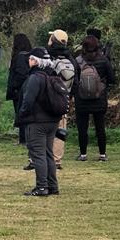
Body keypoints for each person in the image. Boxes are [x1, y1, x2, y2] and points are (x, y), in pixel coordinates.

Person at [17, 47, 60, 196]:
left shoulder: (35, 78)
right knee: (48, 153)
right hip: (52, 121)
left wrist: (21, 115)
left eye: (30, 59)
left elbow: (28, 101)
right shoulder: (52, 75)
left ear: (35, 61)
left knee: (38, 154)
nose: (28, 61)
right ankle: (52, 185)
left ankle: (42, 187)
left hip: (37, 122)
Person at [74, 34, 116, 162]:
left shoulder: (78, 60)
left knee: (82, 128)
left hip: (81, 100)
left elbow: (74, 80)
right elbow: (112, 79)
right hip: (99, 99)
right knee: (100, 127)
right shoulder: (104, 60)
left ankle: (83, 154)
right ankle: (102, 154)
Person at [46, 29, 78, 169]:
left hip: (48, 99)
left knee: (44, 129)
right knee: (60, 129)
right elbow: (76, 81)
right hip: (63, 99)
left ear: (53, 40)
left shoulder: (48, 57)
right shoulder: (71, 59)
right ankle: (56, 160)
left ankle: (43, 158)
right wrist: (69, 96)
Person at [6, 33, 33, 147]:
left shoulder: (20, 56)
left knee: (20, 113)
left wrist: (15, 86)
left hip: (19, 90)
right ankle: (26, 138)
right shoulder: (29, 55)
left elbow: (20, 74)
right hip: (26, 88)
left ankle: (23, 139)